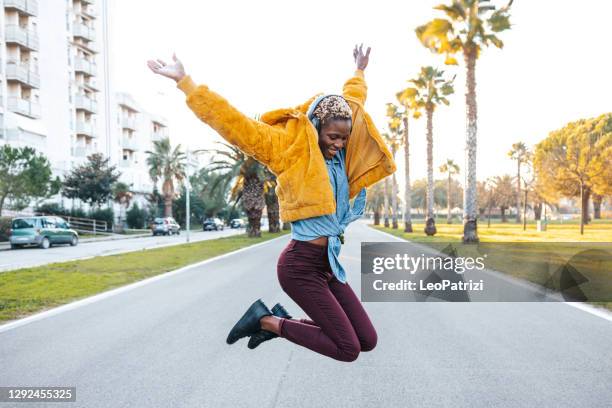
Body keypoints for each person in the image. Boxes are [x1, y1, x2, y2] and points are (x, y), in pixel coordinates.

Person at [147, 44, 396, 362]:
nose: (339, 144)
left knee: (367, 340)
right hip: (300, 266)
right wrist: (186, 83)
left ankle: (276, 320)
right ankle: (267, 321)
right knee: (348, 349)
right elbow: (235, 125)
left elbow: (355, 102)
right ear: (316, 127)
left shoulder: (341, 157)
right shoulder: (288, 149)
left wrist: (359, 70)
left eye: (344, 138)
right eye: (332, 136)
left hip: (328, 266)